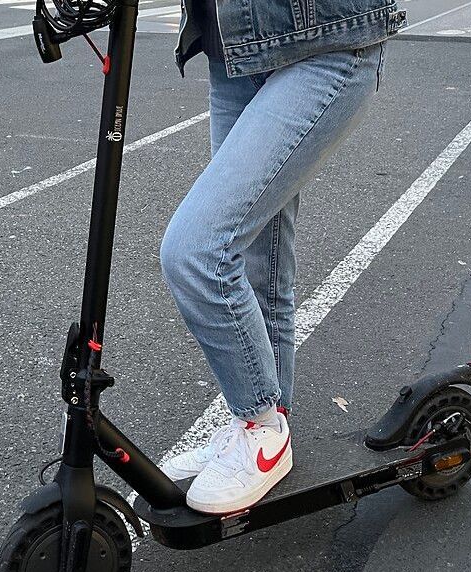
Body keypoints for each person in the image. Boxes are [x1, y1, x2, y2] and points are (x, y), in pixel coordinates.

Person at [158, 0, 403, 514]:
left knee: (198, 250)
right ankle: (263, 428)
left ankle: (260, 424)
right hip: (232, 51)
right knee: (259, 261)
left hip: (324, 43)